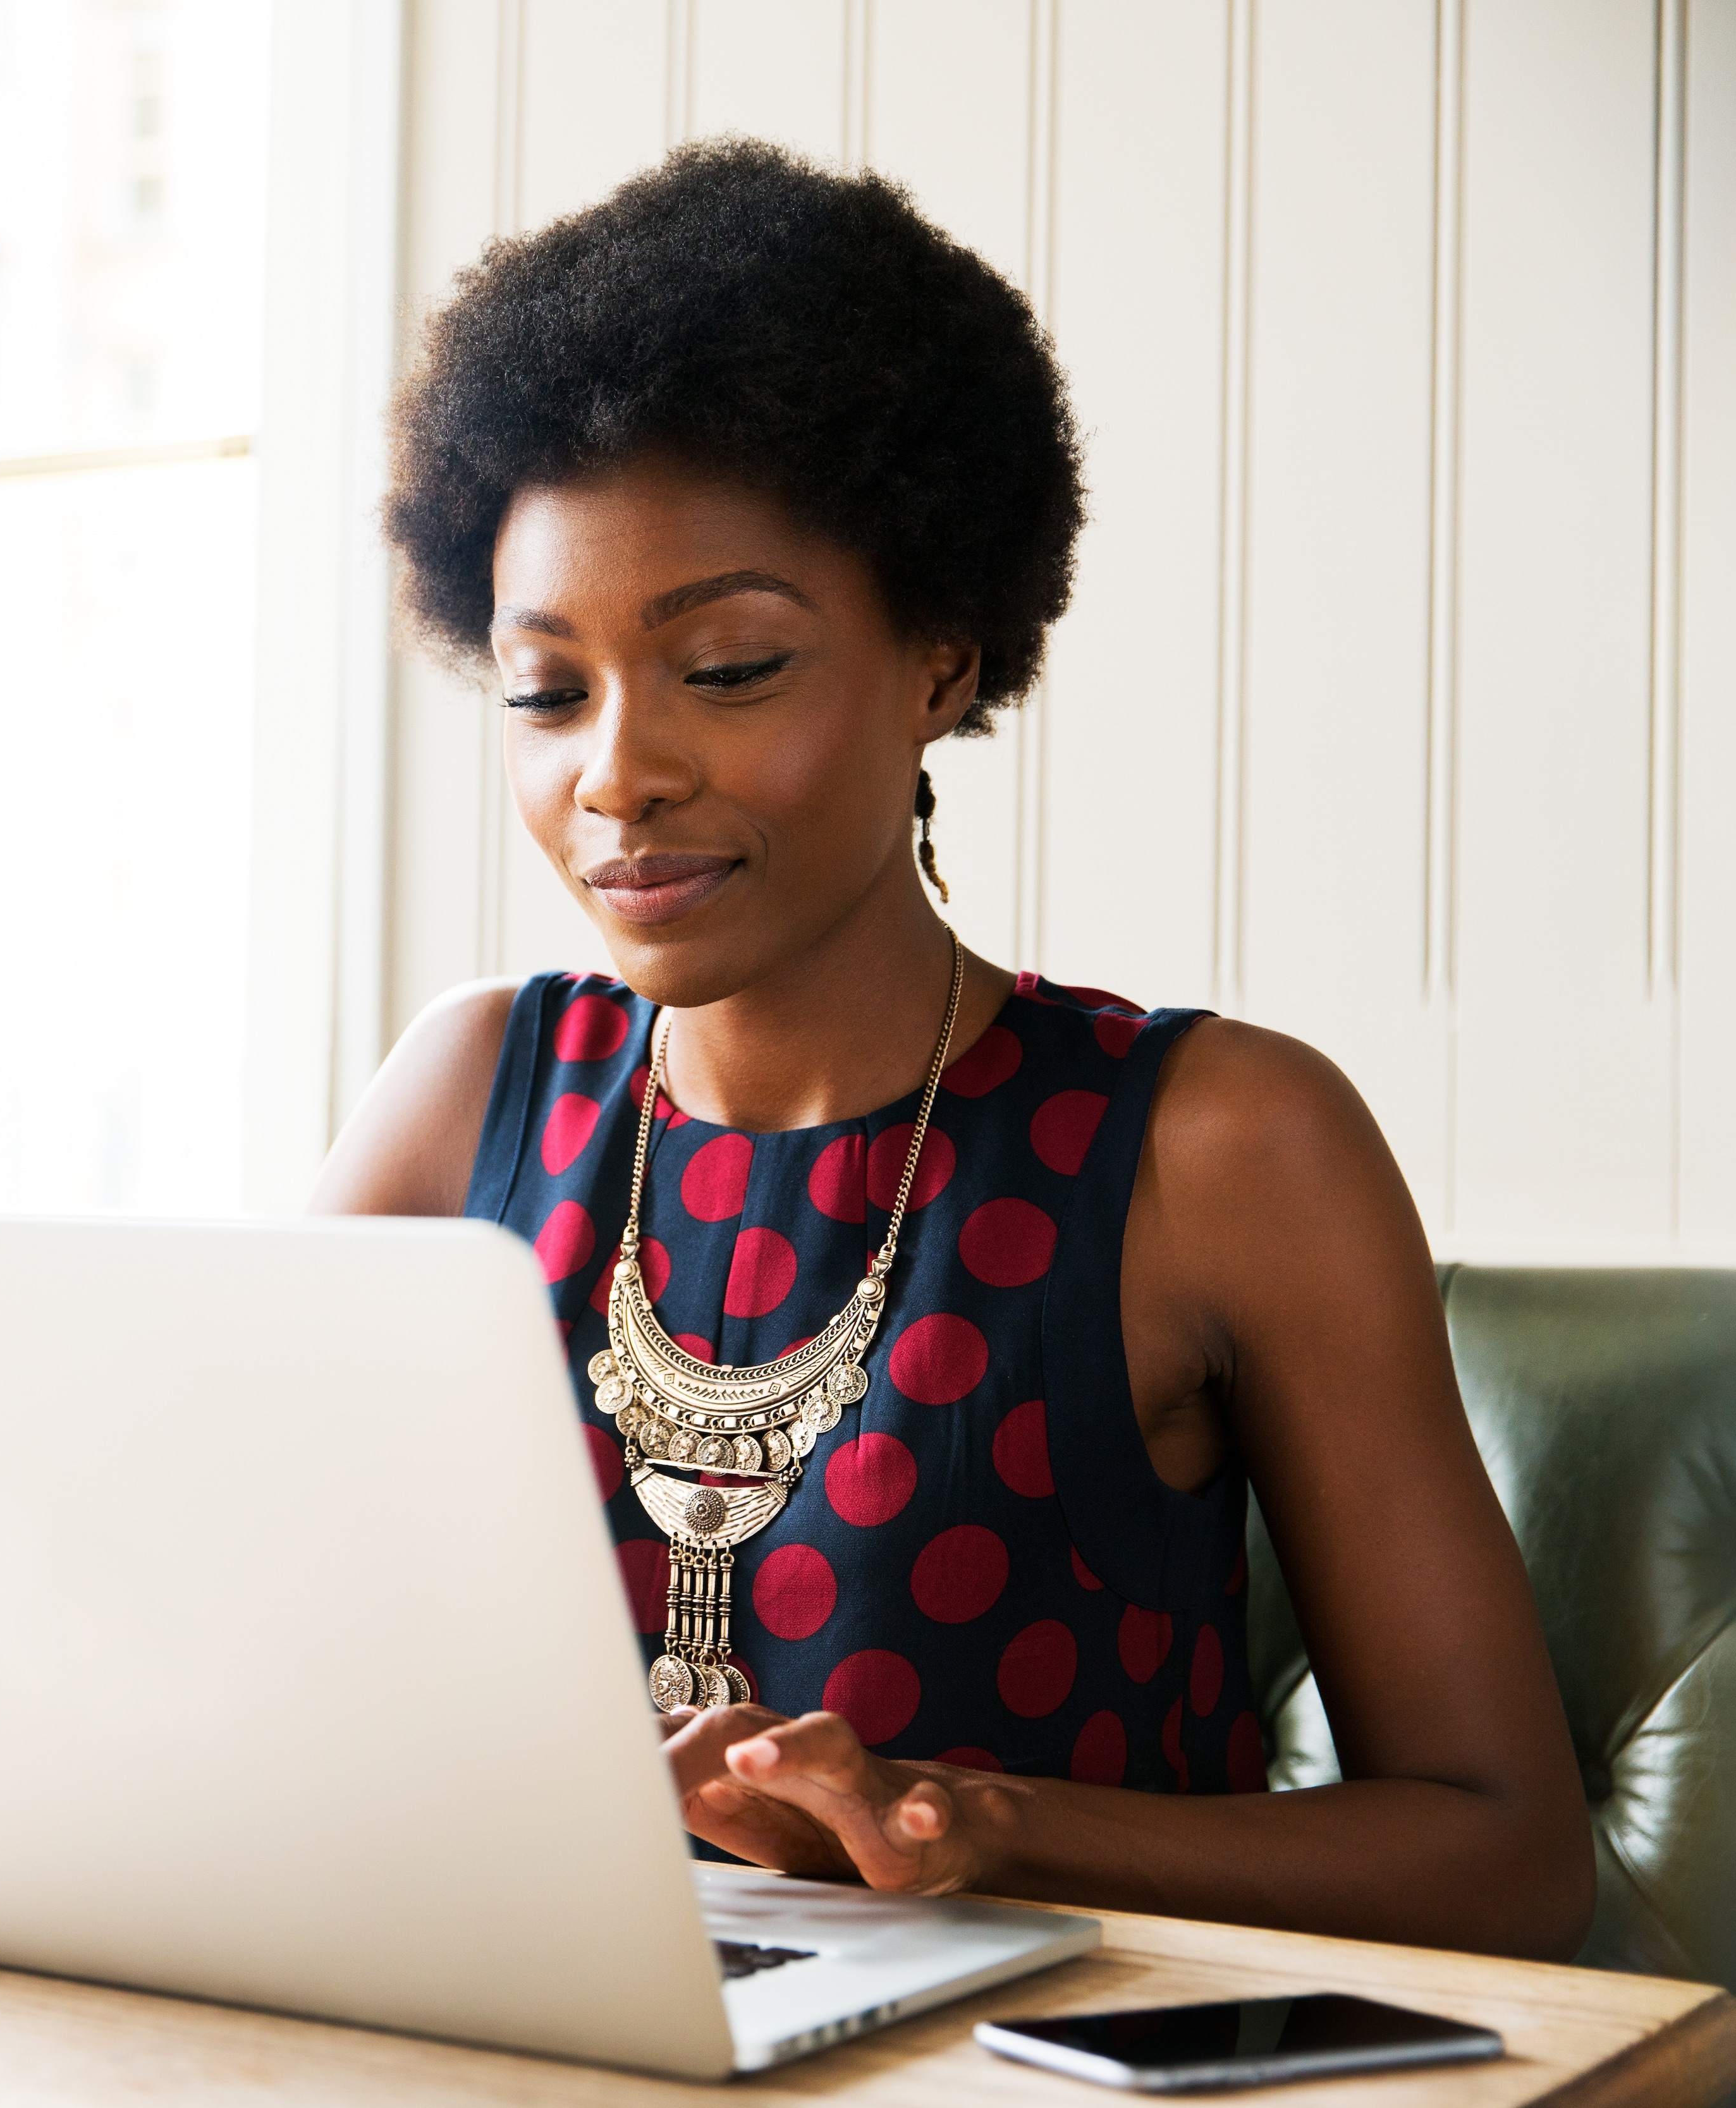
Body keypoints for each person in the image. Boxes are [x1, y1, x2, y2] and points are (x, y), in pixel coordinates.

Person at [312, 139, 1589, 1959]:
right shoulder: (462, 1101)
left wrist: (981, 1830)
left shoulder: (1218, 1146)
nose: (615, 774)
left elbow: (1508, 1858)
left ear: (937, 657)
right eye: (546, 691)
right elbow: (235, 1664)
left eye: (730, 667)